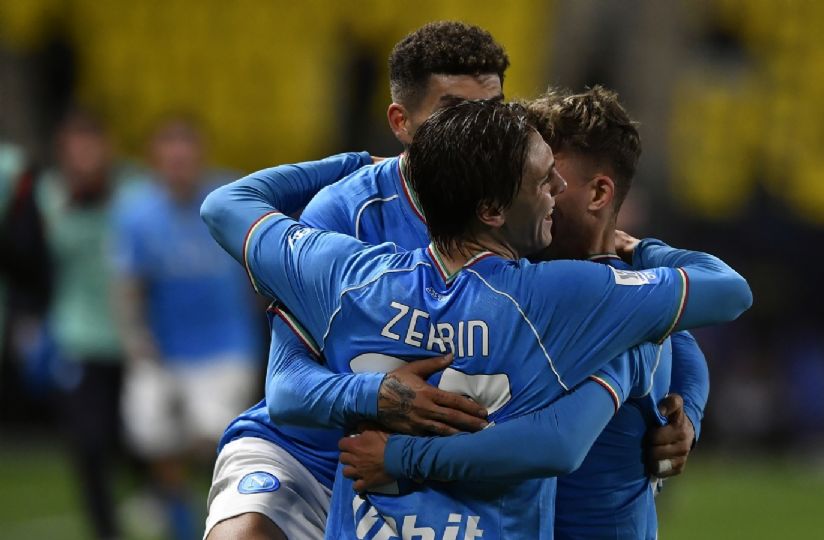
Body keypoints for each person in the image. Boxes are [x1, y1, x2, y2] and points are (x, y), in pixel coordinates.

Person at [201, 98, 752, 538]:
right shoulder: (567, 297)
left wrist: (348, 163)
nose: (555, 192)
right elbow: (725, 293)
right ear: (492, 209)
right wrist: (646, 252)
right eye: (542, 180)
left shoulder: (347, 274)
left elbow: (226, 206)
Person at [337, 86, 708, 540]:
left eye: (551, 175)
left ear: (598, 194)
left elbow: (557, 442)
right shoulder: (511, 273)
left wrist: (688, 412)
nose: (543, 189)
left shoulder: (601, 303)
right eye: (535, 175)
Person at [204, 21, 508, 539]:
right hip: (309, 458)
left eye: (493, 113)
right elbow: (288, 389)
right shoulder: (345, 215)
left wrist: (681, 400)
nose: (478, 132)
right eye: (454, 113)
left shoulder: (528, 208)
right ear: (401, 121)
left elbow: (639, 298)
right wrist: (376, 396)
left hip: (437, 472)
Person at [111, 116, 261, 539]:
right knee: (152, 435)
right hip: (164, 347)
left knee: (217, 437)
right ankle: (178, 512)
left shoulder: (231, 196)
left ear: (200, 155)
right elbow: (128, 282)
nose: (178, 163)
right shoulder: (136, 212)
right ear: (154, 160)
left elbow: (258, 261)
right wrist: (136, 337)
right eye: (169, 155)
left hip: (225, 344)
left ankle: (221, 511)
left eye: (185, 153)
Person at [34, 110, 130, 540]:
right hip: (77, 336)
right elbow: (32, 261)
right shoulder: (48, 196)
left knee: (142, 442)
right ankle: (105, 529)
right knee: (87, 443)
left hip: (130, 338)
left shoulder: (133, 192)